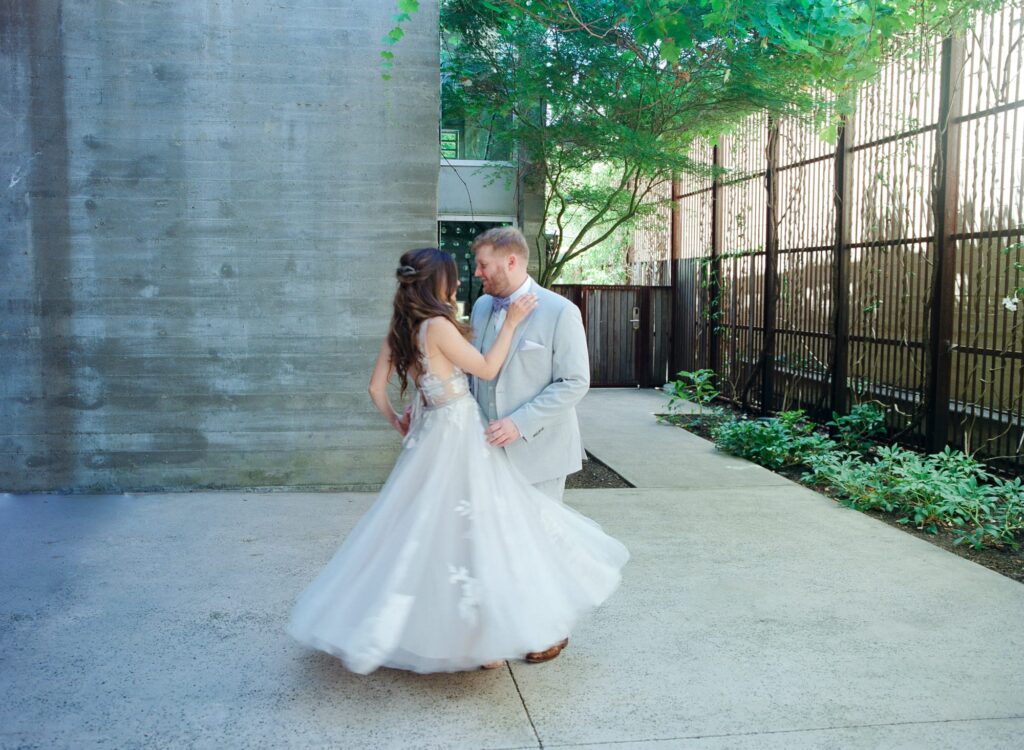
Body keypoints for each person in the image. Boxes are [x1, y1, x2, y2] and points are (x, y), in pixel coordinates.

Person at [286, 247, 628, 675]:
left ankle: (471, 636)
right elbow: (485, 368)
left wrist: (399, 419)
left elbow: (375, 389)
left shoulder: (400, 328)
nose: (465, 280)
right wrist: (515, 324)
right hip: (459, 437)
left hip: (427, 437)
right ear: (438, 284)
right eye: (453, 277)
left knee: (428, 530)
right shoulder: (438, 326)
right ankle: (483, 640)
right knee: (480, 529)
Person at [469, 227, 592, 662]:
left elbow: (575, 382)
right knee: (495, 543)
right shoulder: (483, 306)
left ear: (512, 262)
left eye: (484, 264)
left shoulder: (560, 312)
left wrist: (520, 424)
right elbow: (477, 371)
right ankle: (503, 632)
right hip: (486, 450)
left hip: (539, 450)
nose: (478, 272)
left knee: (540, 544)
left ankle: (550, 629)